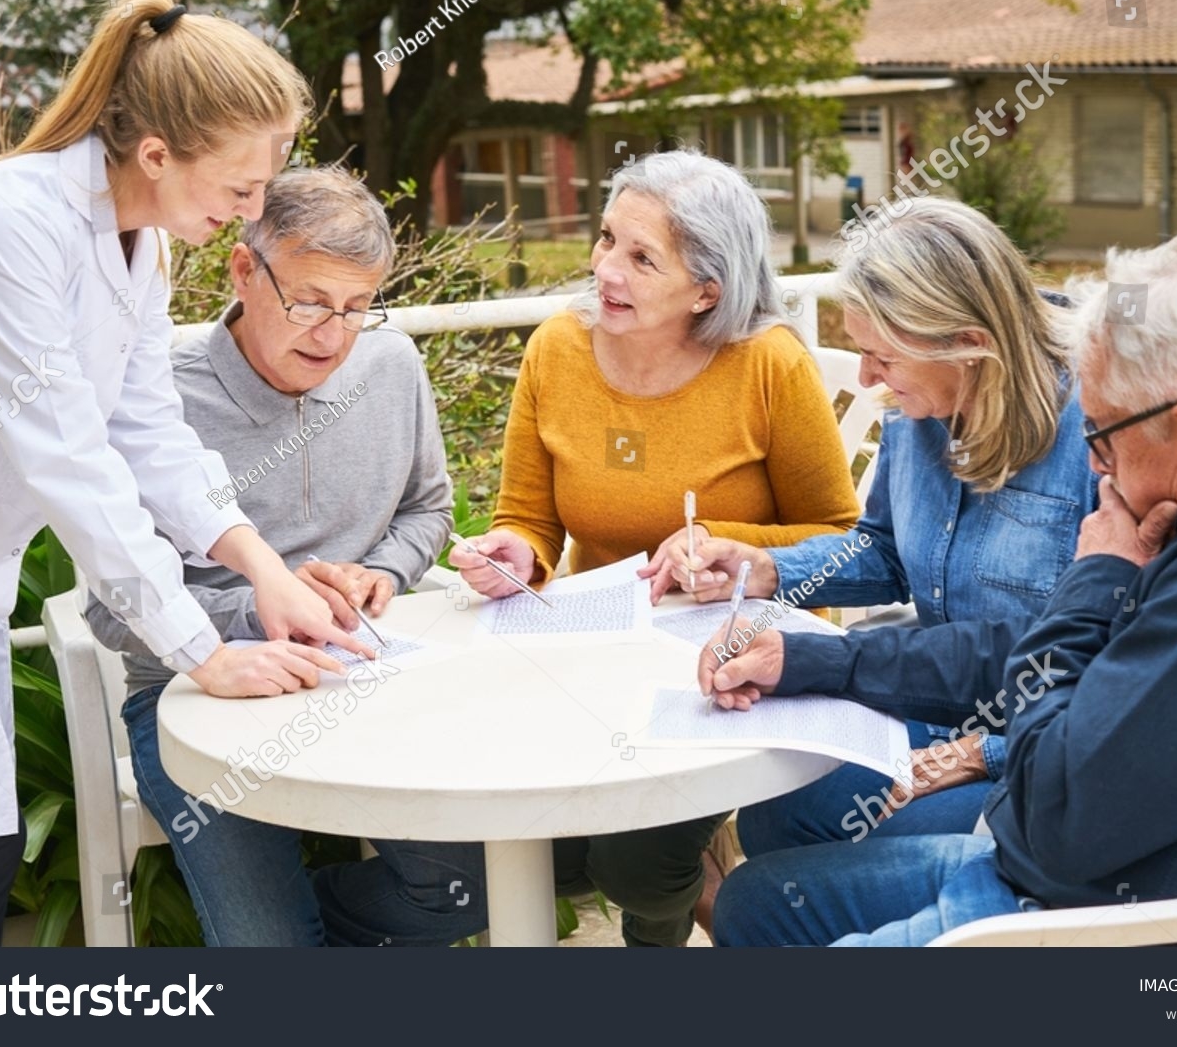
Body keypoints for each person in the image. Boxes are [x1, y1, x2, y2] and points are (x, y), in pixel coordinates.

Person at [0, 0, 368, 947]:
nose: (253, 205)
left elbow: (148, 433)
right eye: (241, 183)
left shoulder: (142, 246)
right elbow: (71, 458)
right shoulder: (5, 224)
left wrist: (263, 569)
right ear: (154, 152)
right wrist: (202, 651)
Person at [707, 233, 1177, 947]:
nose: (1093, 459)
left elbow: (1050, 819)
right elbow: (1057, 688)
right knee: (757, 903)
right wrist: (810, 654)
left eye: (1102, 431)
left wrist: (1096, 577)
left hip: (1114, 930)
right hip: (1057, 874)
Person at [321, 148, 861, 947]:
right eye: (608, 238)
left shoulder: (768, 363)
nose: (606, 268)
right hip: (594, 657)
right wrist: (516, 554)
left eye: (642, 257)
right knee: (535, 842)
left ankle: (664, 912)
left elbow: (844, 539)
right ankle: (688, 874)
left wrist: (725, 541)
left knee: (636, 864)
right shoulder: (556, 351)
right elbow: (530, 522)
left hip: (742, 654)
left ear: (706, 288)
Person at [84, 166, 453, 945]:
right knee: (269, 945)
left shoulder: (391, 368)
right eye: (311, 301)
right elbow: (109, 610)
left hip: (371, 673)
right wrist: (260, 605)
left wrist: (378, 573)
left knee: (469, 886)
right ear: (244, 271)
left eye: (358, 308)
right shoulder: (157, 400)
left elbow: (428, 510)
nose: (333, 334)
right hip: (194, 699)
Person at [674, 196, 1095, 861]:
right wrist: (769, 567)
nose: (867, 379)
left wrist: (983, 752)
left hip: (1051, 742)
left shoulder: (1100, 430)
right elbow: (886, 550)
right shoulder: (922, 401)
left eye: (884, 358)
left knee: (817, 851)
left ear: (970, 346)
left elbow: (1124, 657)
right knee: (772, 815)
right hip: (940, 689)